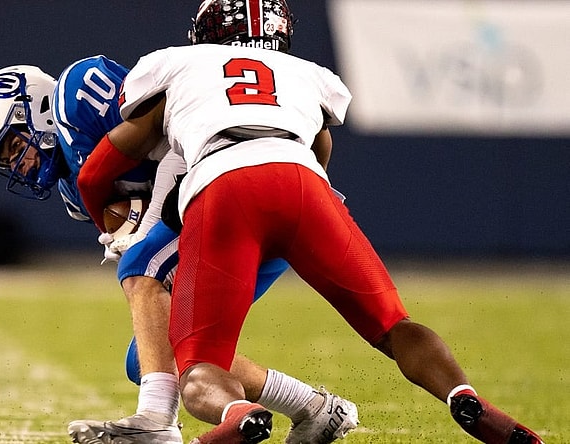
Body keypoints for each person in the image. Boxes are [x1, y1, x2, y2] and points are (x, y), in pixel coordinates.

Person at [75, 1, 546, 443]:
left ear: (205, 31)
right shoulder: (307, 74)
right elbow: (319, 154)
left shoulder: (176, 64)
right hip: (305, 186)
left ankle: (238, 414)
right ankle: (463, 396)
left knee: (200, 365)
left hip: (223, 189)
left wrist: (113, 224)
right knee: (393, 325)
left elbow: (97, 173)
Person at [0, 61, 358, 443]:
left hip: (245, 197)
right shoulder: (73, 193)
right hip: (217, 229)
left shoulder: (80, 93)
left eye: (15, 145)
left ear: (37, 107)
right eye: (5, 161)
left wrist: (147, 224)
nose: (20, 163)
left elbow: (180, 132)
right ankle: (314, 408)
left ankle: (156, 421)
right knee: (151, 356)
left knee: (144, 278)